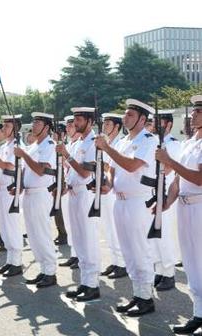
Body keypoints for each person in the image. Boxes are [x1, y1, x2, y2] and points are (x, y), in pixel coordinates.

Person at [95, 99, 158, 316]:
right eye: (125, 114)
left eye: (130, 114)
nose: (125, 117)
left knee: (140, 251)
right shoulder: (122, 141)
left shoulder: (149, 140)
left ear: (142, 119)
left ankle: (146, 298)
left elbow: (131, 165)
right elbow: (112, 169)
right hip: (120, 201)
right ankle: (137, 295)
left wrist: (106, 148)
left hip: (137, 202)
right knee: (129, 252)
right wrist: (109, 183)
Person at [155, 94, 202, 334]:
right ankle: (198, 314)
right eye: (194, 111)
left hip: (200, 206)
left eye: (198, 112)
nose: (193, 115)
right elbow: (177, 180)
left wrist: (171, 162)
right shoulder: (189, 142)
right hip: (184, 206)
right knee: (192, 263)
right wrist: (166, 203)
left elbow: (200, 179)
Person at [56, 107, 101, 301]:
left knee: (88, 240)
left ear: (90, 122)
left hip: (85, 194)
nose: (75, 123)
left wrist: (66, 155)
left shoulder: (93, 142)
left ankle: (93, 284)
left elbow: (84, 173)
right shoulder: (77, 142)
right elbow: (72, 171)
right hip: (73, 193)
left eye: (80, 120)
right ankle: (85, 282)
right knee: (79, 241)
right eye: (74, 119)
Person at [14, 112, 58, 288]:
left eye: (38, 122)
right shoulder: (33, 146)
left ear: (46, 127)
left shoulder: (49, 145)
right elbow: (26, 171)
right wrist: (19, 186)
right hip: (29, 194)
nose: (34, 125)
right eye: (33, 121)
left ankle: (50, 271)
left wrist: (24, 155)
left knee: (42, 233)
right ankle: (43, 269)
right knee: (32, 235)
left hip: (41, 194)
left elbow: (41, 170)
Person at [0, 115, 24, 277]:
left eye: (7, 126)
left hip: (10, 190)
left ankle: (17, 262)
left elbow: (7, 165)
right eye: (4, 126)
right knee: (4, 226)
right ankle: (10, 260)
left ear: (15, 128)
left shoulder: (16, 146)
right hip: (1, 188)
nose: (3, 129)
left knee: (12, 226)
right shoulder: (5, 145)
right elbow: (1, 170)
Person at [149, 111, 181, 291]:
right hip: (154, 193)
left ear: (168, 124)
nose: (154, 124)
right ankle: (159, 271)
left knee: (165, 235)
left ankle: (169, 274)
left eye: (158, 121)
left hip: (168, 194)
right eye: (153, 121)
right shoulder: (154, 142)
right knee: (155, 236)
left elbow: (168, 169)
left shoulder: (173, 144)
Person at [98, 113, 127, 279]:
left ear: (116, 126)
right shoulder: (106, 143)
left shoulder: (121, 143)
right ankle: (115, 260)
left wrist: (104, 164)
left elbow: (118, 166)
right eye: (104, 124)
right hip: (106, 188)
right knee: (109, 228)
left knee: (117, 229)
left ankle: (122, 263)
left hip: (116, 190)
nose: (104, 127)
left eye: (108, 124)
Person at [58, 115, 80, 269]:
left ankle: (81, 256)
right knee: (70, 224)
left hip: (82, 190)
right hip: (69, 187)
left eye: (70, 125)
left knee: (81, 227)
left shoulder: (80, 144)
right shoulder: (70, 144)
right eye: (67, 126)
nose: (68, 128)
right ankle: (74, 253)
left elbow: (81, 168)